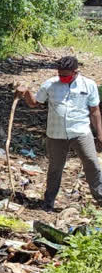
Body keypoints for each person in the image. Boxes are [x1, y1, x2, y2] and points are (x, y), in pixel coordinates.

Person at [15, 56, 102, 211]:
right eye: (60, 74)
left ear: (76, 72)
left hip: (81, 132)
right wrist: (26, 92)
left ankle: (100, 198)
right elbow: (34, 103)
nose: (62, 78)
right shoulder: (50, 84)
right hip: (56, 134)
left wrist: (100, 134)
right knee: (55, 168)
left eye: (66, 75)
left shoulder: (89, 85)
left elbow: (95, 111)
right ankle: (48, 203)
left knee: (92, 164)